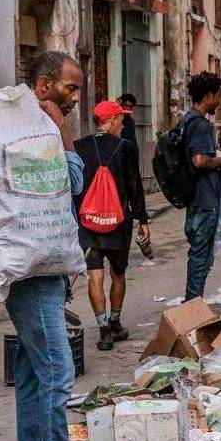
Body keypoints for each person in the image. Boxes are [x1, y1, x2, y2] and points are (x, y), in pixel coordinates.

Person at [11, 51, 103, 441]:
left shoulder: (20, 125)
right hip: (35, 271)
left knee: (31, 370)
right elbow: (73, 181)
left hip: (28, 266)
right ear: (45, 85)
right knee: (57, 372)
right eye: (70, 87)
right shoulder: (37, 129)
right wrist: (64, 133)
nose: (75, 97)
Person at [74, 100, 149, 352]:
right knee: (118, 274)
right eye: (122, 119)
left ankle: (103, 329)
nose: (124, 124)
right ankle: (115, 322)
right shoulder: (125, 147)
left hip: (88, 222)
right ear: (113, 120)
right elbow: (134, 186)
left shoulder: (79, 146)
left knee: (94, 274)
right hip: (118, 223)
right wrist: (143, 220)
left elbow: (74, 186)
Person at [182, 71, 221, 301]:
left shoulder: (186, 120)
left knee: (200, 254)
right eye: (217, 97)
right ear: (207, 96)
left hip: (195, 197)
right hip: (204, 200)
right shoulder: (200, 124)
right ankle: (192, 304)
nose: (218, 102)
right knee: (200, 256)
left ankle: (193, 302)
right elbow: (199, 160)